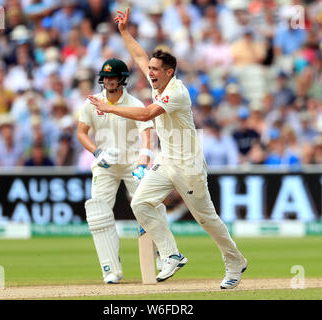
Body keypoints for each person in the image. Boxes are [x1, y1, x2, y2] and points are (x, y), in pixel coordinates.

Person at [87, 8, 248, 289]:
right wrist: (124, 31)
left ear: (169, 72)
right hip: (167, 160)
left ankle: (235, 261)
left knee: (206, 218)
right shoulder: (157, 82)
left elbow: (147, 115)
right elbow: (138, 55)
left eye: (154, 70)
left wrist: (110, 109)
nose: (148, 73)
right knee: (139, 203)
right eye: (149, 69)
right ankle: (171, 253)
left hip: (188, 166)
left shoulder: (176, 92)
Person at [77, 58, 165, 284]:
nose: (108, 81)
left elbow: (147, 131)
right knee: (98, 212)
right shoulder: (92, 103)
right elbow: (81, 133)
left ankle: (162, 257)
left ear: (122, 79)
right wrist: (97, 154)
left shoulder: (134, 102)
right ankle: (110, 269)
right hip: (105, 165)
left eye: (113, 77)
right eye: (105, 77)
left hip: (132, 164)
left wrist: (144, 159)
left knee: (150, 205)